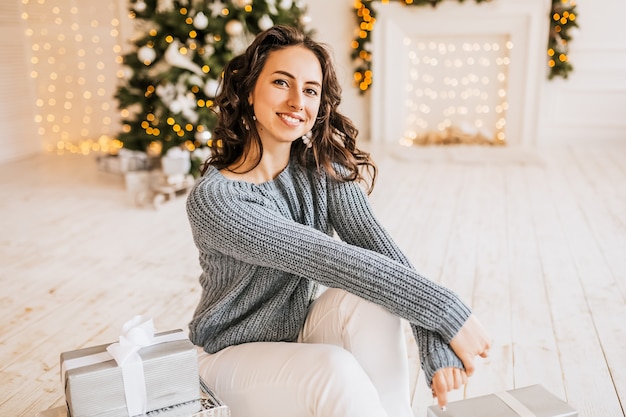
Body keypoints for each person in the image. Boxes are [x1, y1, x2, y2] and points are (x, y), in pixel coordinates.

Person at [186, 25, 491, 417]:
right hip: (226, 357)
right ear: (248, 91)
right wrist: (449, 313)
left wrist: (432, 336)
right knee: (335, 369)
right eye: (282, 82)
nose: (297, 100)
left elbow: (381, 254)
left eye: (311, 90)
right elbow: (329, 259)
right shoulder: (217, 200)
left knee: (372, 301)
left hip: (295, 334)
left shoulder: (320, 168)